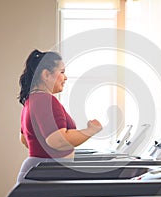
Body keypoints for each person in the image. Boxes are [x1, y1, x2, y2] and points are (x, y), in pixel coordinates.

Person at [17, 49, 102, 183]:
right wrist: (90, 131)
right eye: (62, 72)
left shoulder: (32, 100)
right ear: (46, 74)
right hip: (43, 173)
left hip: (38, 170)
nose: (65, 77)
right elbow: (58, 141)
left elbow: (25, 139)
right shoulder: (45, 100)